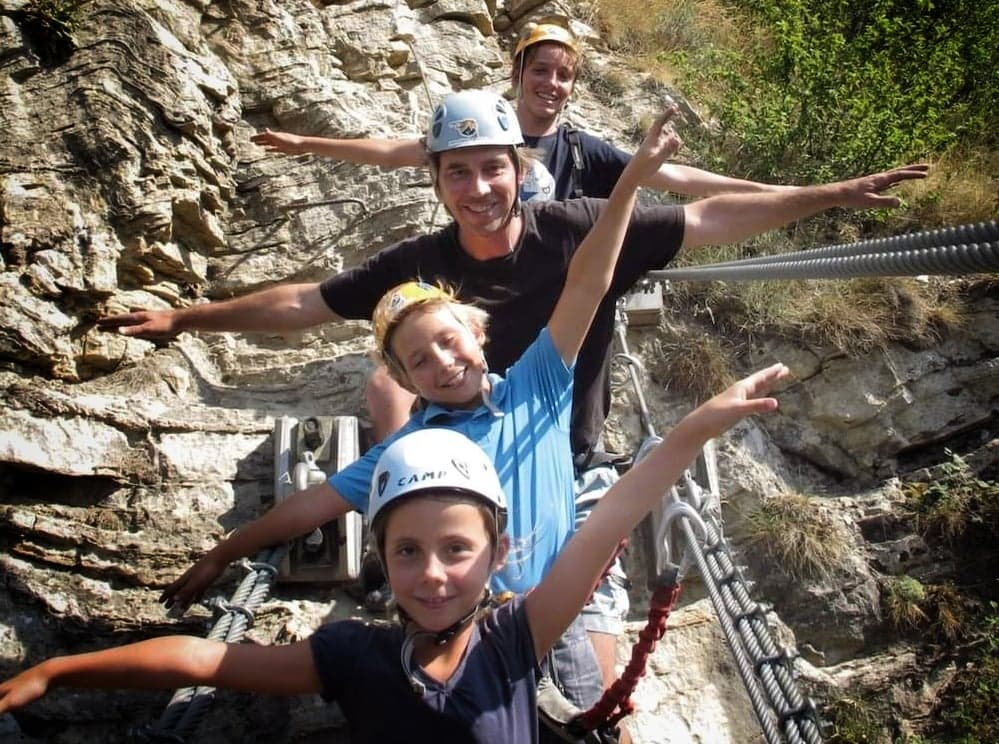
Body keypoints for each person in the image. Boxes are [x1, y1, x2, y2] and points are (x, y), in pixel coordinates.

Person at [98, 87, 927, 706]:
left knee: (583, 682)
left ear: (516, 169)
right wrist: (185, 316)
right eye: (457, 172)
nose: (478, 187)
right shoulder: (418, 264)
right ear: (436, 181)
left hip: (566, 462)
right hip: (458, 474)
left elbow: (704, 220)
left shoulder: (575, 228)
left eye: (492, 167)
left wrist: (827, 194)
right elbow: (304, 303)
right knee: (403, 446)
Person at [0, 364, 793, 743]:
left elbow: (609, 515)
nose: (433, 573)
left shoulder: (517, 637)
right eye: (408, 552)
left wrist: (692, 428)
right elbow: (205, 663)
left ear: (497, 555)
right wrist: (55, 671)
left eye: (456, 549)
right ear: (380, 557)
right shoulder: (351, 655)